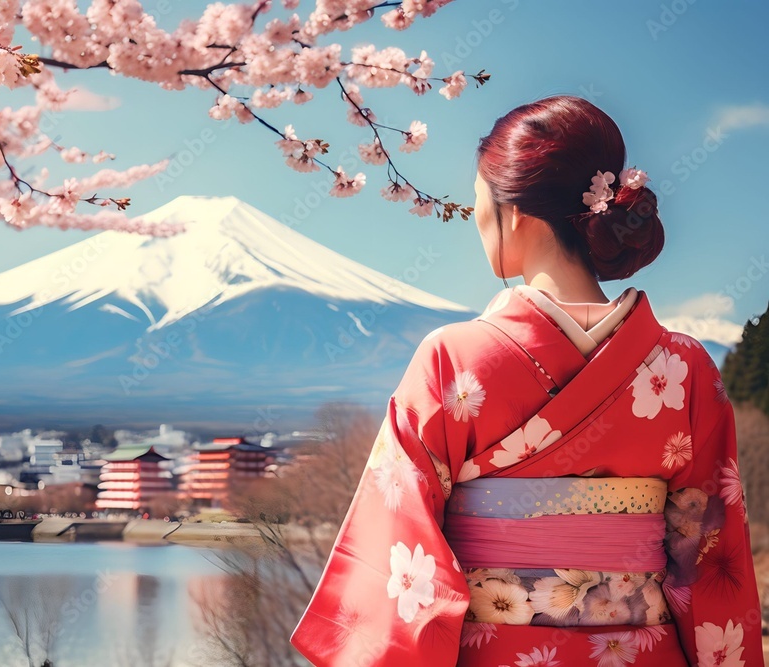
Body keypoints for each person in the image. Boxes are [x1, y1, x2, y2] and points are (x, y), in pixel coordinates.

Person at [289, 95, 764, 666]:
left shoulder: (452, 359)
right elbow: (713, 562)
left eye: (478, 204)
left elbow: (400, 544)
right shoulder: (684, 369)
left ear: (512, 211)